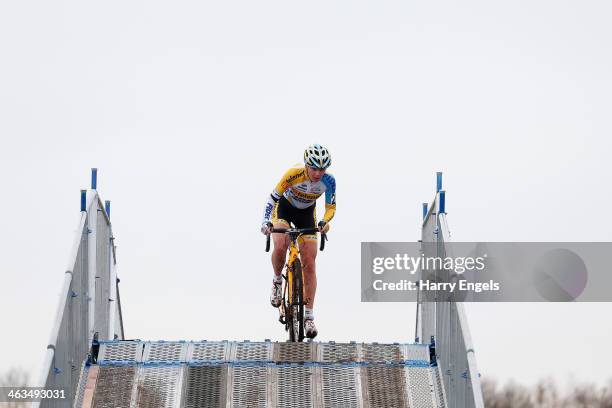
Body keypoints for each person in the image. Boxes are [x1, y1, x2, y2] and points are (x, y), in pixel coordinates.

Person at [261, 144, 336, 338]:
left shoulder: (329, 181)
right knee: (281, 244)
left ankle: (309, 317)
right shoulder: (293, 174)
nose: (318, 173)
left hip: (307, 214)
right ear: (306, 165)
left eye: (322, 169)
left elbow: (330, 208)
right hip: (284, 209)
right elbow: (271, 198)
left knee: (310, 263)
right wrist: (265, 222)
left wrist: (324, 222)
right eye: (314, 168)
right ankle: (277, 280)